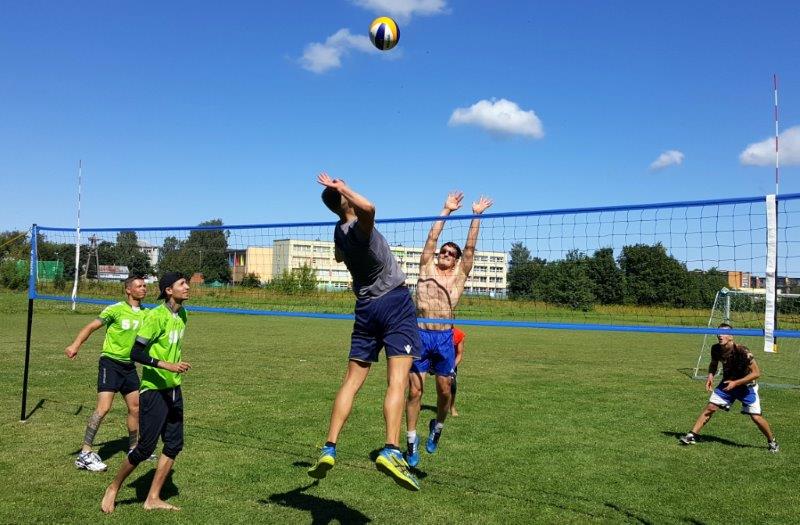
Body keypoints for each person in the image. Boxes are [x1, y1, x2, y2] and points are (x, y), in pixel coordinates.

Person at [307, 173, 422, 491]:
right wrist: (341, 188)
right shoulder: (360, 226)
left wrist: (338, 197)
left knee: (351, 381)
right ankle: (391, 450)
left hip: (365, 308)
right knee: (397, 381)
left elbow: (337, 256)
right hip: (394, 303)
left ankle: (329, 447)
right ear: (345, 201)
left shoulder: (339, 230)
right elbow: (370, 207)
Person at [405, 192, 492, 467]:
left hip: (444, 337)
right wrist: (446, 210)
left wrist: (476, 216)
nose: (445, 254)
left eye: (450, 254)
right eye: (443, 251)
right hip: (420, 334)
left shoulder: (458, 276)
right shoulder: (426, 267)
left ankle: (437, 427)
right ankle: (411, 441)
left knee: (444, 392)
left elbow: (470, 249)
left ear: (456, 261)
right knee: (415, 392)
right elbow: (432, 238)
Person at [101, 272, 193, 513]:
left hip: (174, 388)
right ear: (169, 290)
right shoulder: (155, 316)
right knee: (145, 448)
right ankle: (113, 487)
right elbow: (136, 353)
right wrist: (166, 365)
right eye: (182, 284)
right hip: (153, 391)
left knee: (174, 444)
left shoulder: (183, 314)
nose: (187, 287)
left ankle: (153, 497)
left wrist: (174, 368)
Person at [66, 276, 148, 472]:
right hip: (110, 364)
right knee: (103, 408)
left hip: (129, 366)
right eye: (139, 286)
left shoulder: (147, 313)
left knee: (136, 408)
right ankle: (85, 453)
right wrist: (75, 345)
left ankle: (134, 449)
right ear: (128, 290)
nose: (144, 288)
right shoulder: (115, 309)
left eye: (145, 286)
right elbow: (91, 327)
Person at [679, 323, 779, 453]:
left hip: (747, 387)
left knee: (756, 417)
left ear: (731, 336)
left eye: (724, 333)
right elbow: (713, 364)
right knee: (711, 407)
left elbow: (756, 373)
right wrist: (710, 376)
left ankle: (772, 441)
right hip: (727, 384)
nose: (720, 335)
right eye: (718, 333)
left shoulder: (743, 351)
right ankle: (692, 435)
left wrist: (736, 383)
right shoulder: (716, 349)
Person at [449, 327, 465, 417]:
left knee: (452, 384)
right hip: (432, 360)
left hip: (450, 363)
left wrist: (452, 367)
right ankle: (415, 403)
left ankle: (452, 407)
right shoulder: (436, 331)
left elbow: (459, 354)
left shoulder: (459, 334)